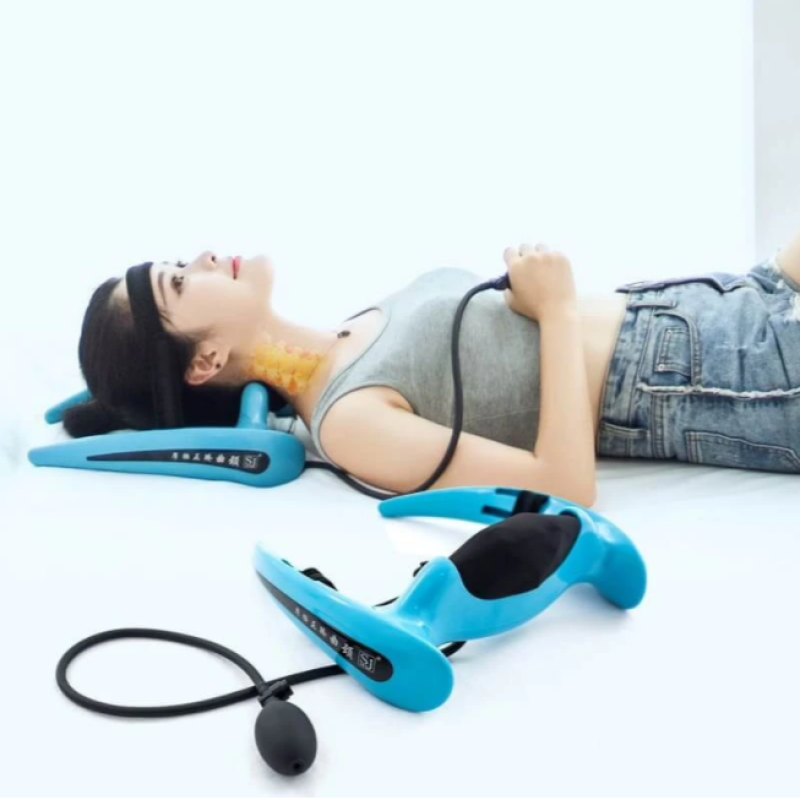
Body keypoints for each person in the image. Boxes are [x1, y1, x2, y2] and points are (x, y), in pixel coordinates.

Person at [65, 235, 800, 506]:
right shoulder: (347, 422)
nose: (202, 257)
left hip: (722, 300)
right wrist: (555, 310)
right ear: (204, 361)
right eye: (181, 281)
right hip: (722, 376)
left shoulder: (349, 329)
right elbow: (563, 486)